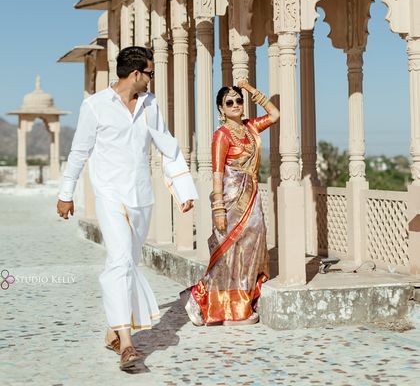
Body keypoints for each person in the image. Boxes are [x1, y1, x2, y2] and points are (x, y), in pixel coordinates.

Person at [56, 46, 197, 370]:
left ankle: (113, 331)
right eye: (149, 72)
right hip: (109, 195)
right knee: (119, 263)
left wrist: (184, 189)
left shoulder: (150, 105)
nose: (151, 78)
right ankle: (129, 346)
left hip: (141, 197)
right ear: (135, 74)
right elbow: (79, 152)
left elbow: (168, 145)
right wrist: (67, 194)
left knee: (128, 266)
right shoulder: (95, 107)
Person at [182, 81, 280, 326]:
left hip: (251, 196)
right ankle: (201, 298)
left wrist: (250, 89)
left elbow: (275, 114)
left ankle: (240, 305)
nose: (236, 104)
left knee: (253, 240)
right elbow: (217, 173)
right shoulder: (222, 135)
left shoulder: (251, 128)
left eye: (238, 101)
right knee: (228, 251)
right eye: (230, 102)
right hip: (230, 198)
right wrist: (218, 209)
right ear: (221, 109)